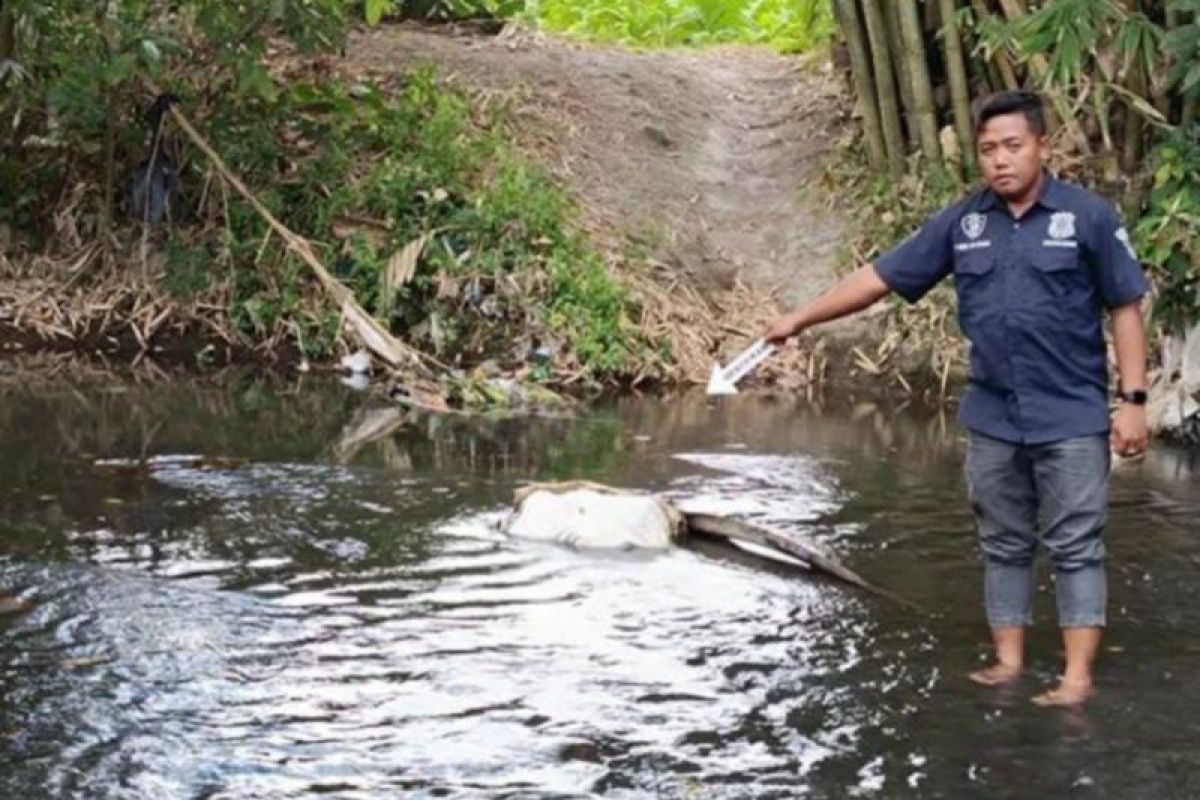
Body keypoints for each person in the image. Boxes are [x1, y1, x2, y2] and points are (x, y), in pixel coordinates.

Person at [763, 91, 1149, 707]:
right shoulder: (963, 224)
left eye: (1013, 146)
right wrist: (799, 319)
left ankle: (1076, 680)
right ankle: (1009, 662)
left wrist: (1132, 400)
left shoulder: (1088, 218)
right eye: (988, 149)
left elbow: (1126, 306)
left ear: (1043, 147)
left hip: (1071, 415)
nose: (1000, 161)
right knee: (1002, 541)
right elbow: (880, 278)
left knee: (1076, 543)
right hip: (994, 416)